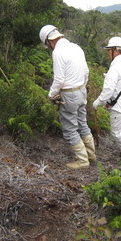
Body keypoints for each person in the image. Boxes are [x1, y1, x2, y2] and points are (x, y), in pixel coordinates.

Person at [39, 24, 96, 170]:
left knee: (70, 128)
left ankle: (82, 161)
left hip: (69, 94)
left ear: (49, 41)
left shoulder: (57, 52)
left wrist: (51, 95)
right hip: (82, 91)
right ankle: (91, 155)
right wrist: (81, 86)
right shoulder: (76, 47)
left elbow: (59, 79)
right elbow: (86, 71)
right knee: (82, 124)